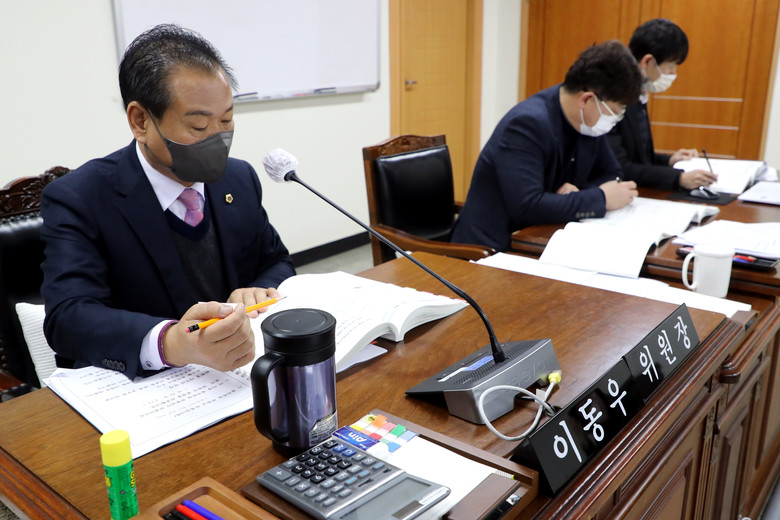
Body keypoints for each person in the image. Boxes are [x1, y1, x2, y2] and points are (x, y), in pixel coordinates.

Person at [41, 24, 296, 378]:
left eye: (226, 119)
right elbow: (68, 318)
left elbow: (277, 262)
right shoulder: (80, 197)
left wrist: (256, 291)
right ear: (140, 121)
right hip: (147, 387)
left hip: (236, 377)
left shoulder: (239, 178)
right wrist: (169, 342)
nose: (218, 139)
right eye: (199, 127)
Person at [450, 40, 642, 252]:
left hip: (542, 238)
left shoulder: (587, 123)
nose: (615, 120)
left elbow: (612, 173)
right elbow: (527, 206)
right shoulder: (526, 124)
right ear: (586, 100)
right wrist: (600, 198)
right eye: (615, 112)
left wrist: (579, 194)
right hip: (489, 249)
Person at [607, 18, 717, 191]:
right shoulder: (613, 99)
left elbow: (641, 158)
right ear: (647, 62)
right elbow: (620, 167)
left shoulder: (639, 94)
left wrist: (670, 160)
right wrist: (679, 178)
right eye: (671, 66)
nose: (673, 73)